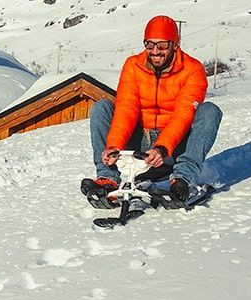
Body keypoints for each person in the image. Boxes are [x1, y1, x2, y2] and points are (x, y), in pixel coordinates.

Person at [82, 15, 222, 204]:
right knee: (102, 108)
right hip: (138, 148)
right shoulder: (133, 65)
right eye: (150, 45)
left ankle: (181, 179)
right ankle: (108, 178)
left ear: (174, 44)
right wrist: (114, 145)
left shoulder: (193, 70)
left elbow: (183, 114)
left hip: (171, 150)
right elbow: (126, 107)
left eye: (162, 45)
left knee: (210, 111)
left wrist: (162, 148)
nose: (155, 51)